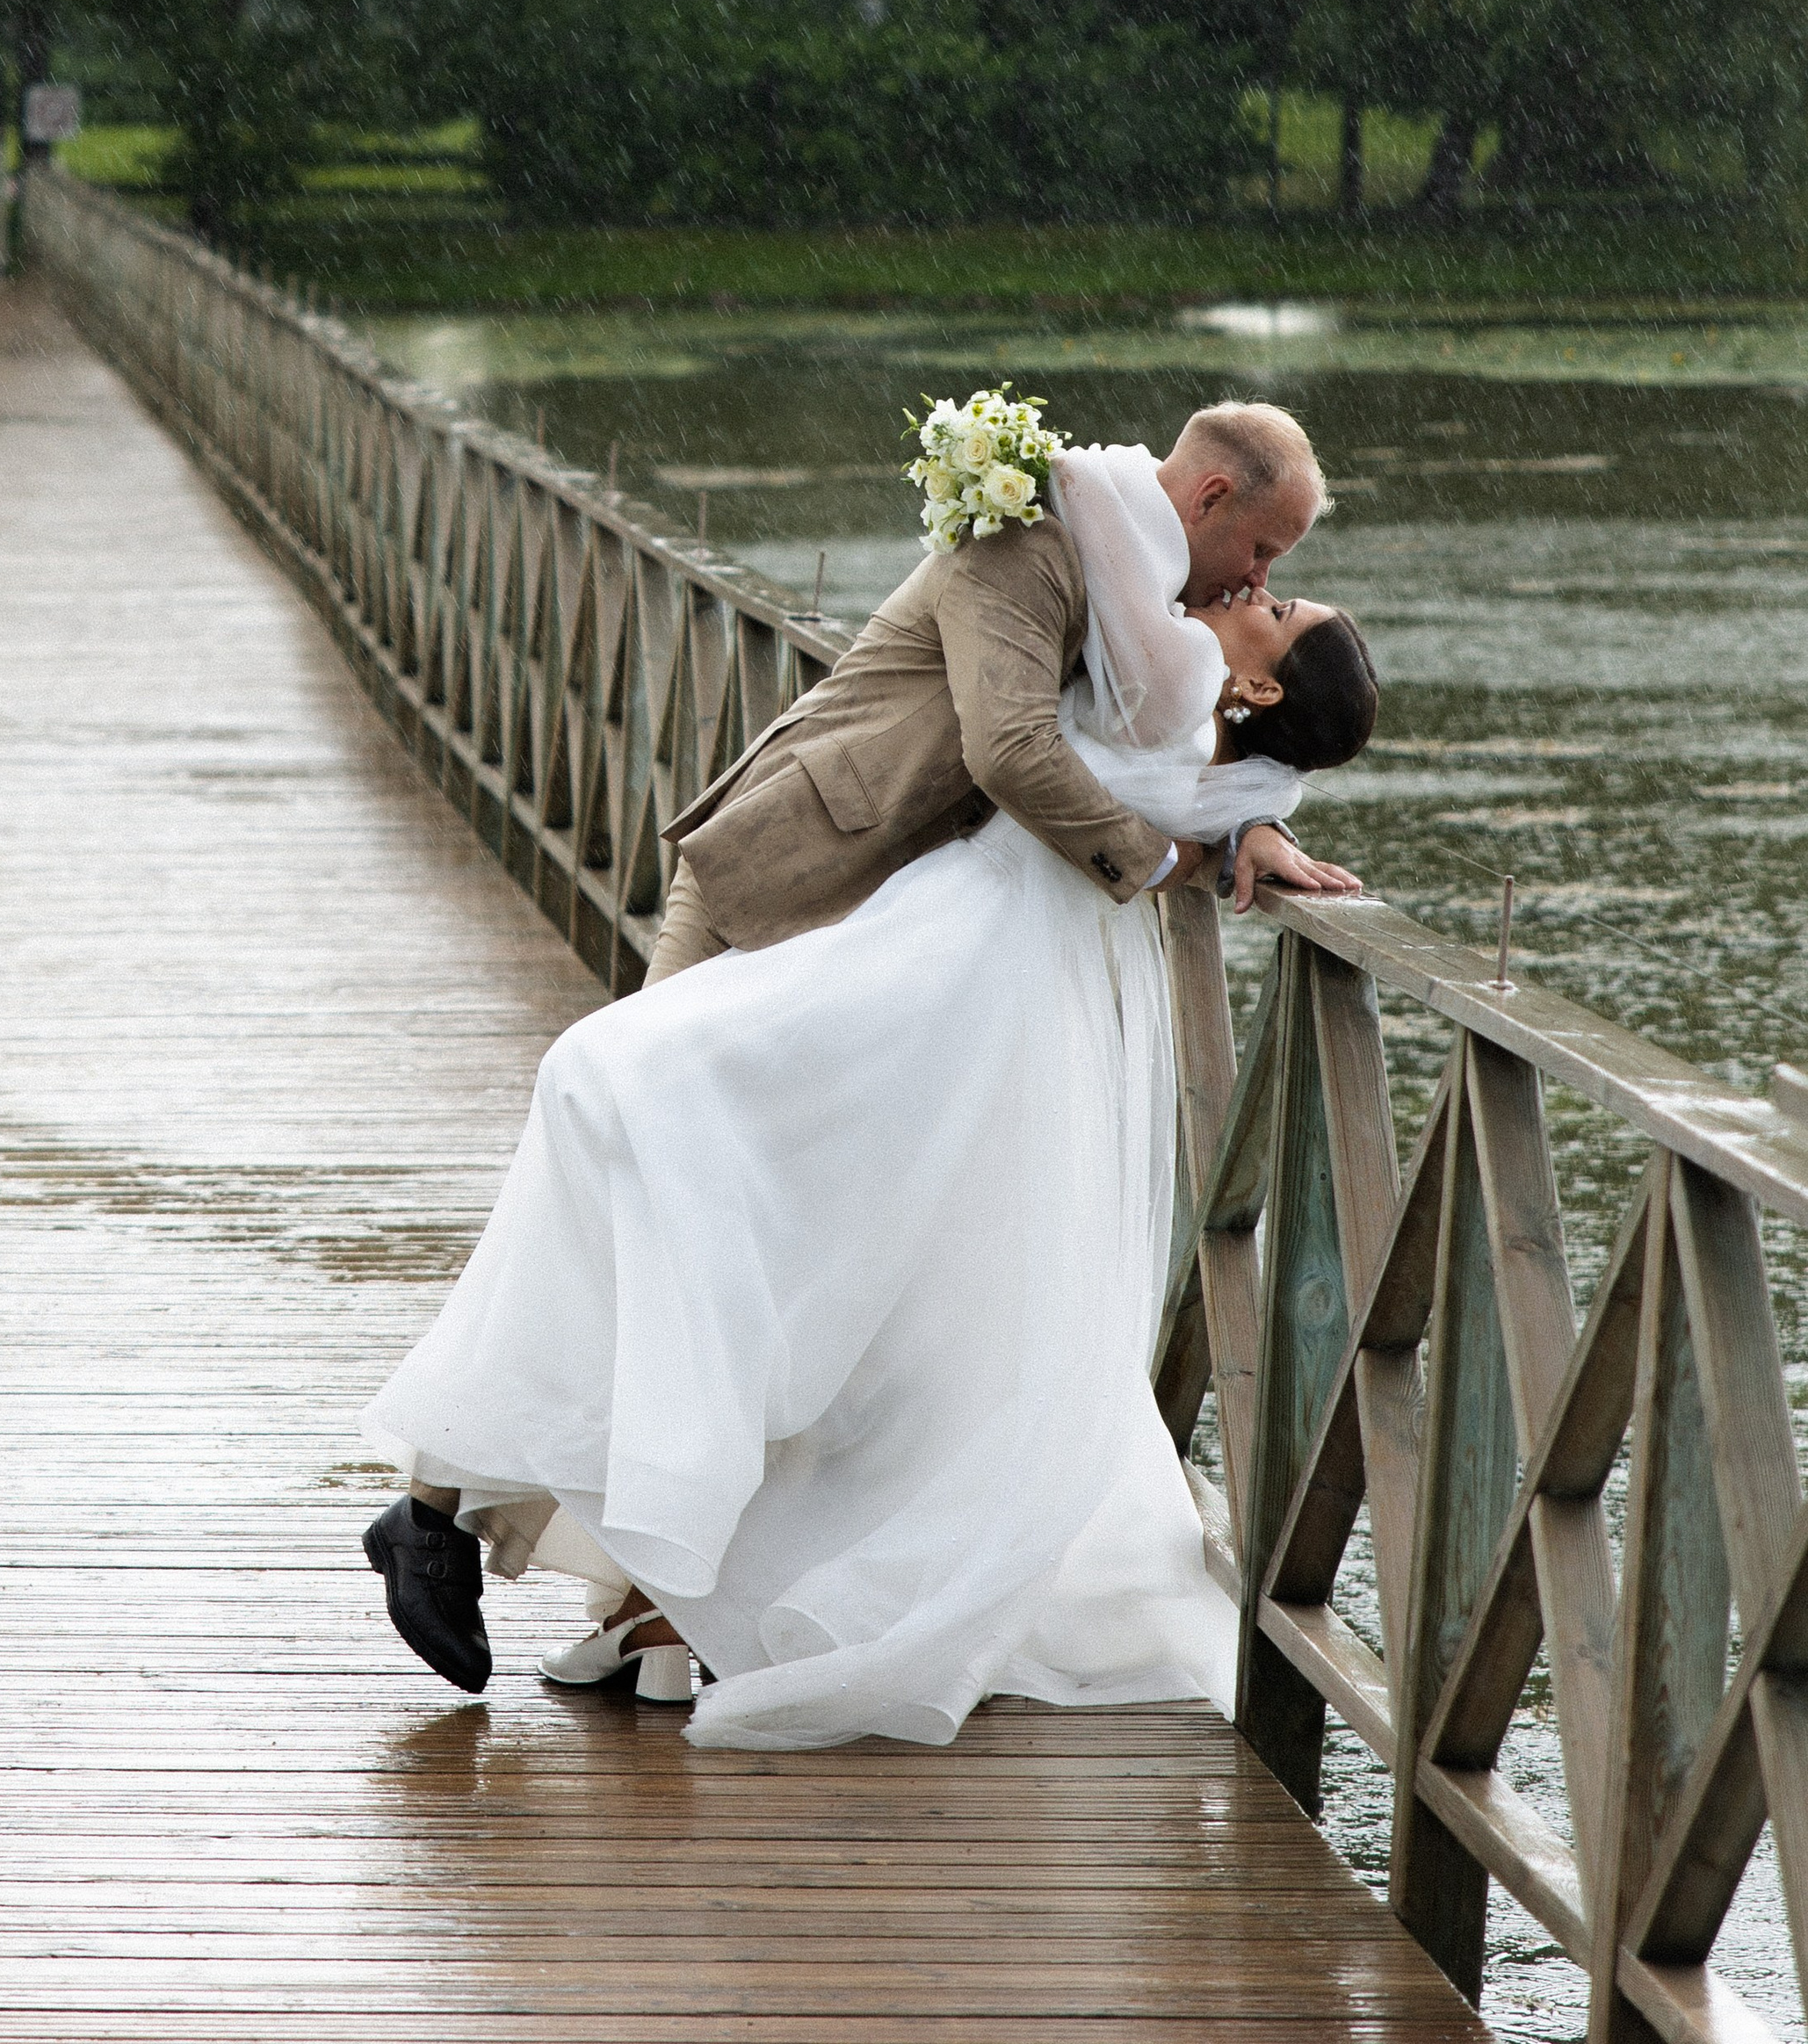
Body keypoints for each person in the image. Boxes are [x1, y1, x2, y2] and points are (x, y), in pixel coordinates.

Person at [360, 401, 1378, 1748]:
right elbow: (1015, 750)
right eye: (1268, 551)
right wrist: (1185, 849)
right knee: (643, 1158)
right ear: (1208, 499)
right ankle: (441, 1507)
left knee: (789, 1263)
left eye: (1279, 578)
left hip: (911, 947)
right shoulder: (1036, 536)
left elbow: (1175, 750)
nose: (1261, 578)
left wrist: (1247, 827)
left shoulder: (1155, 612)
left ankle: (661, 1609)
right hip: (795, 870)